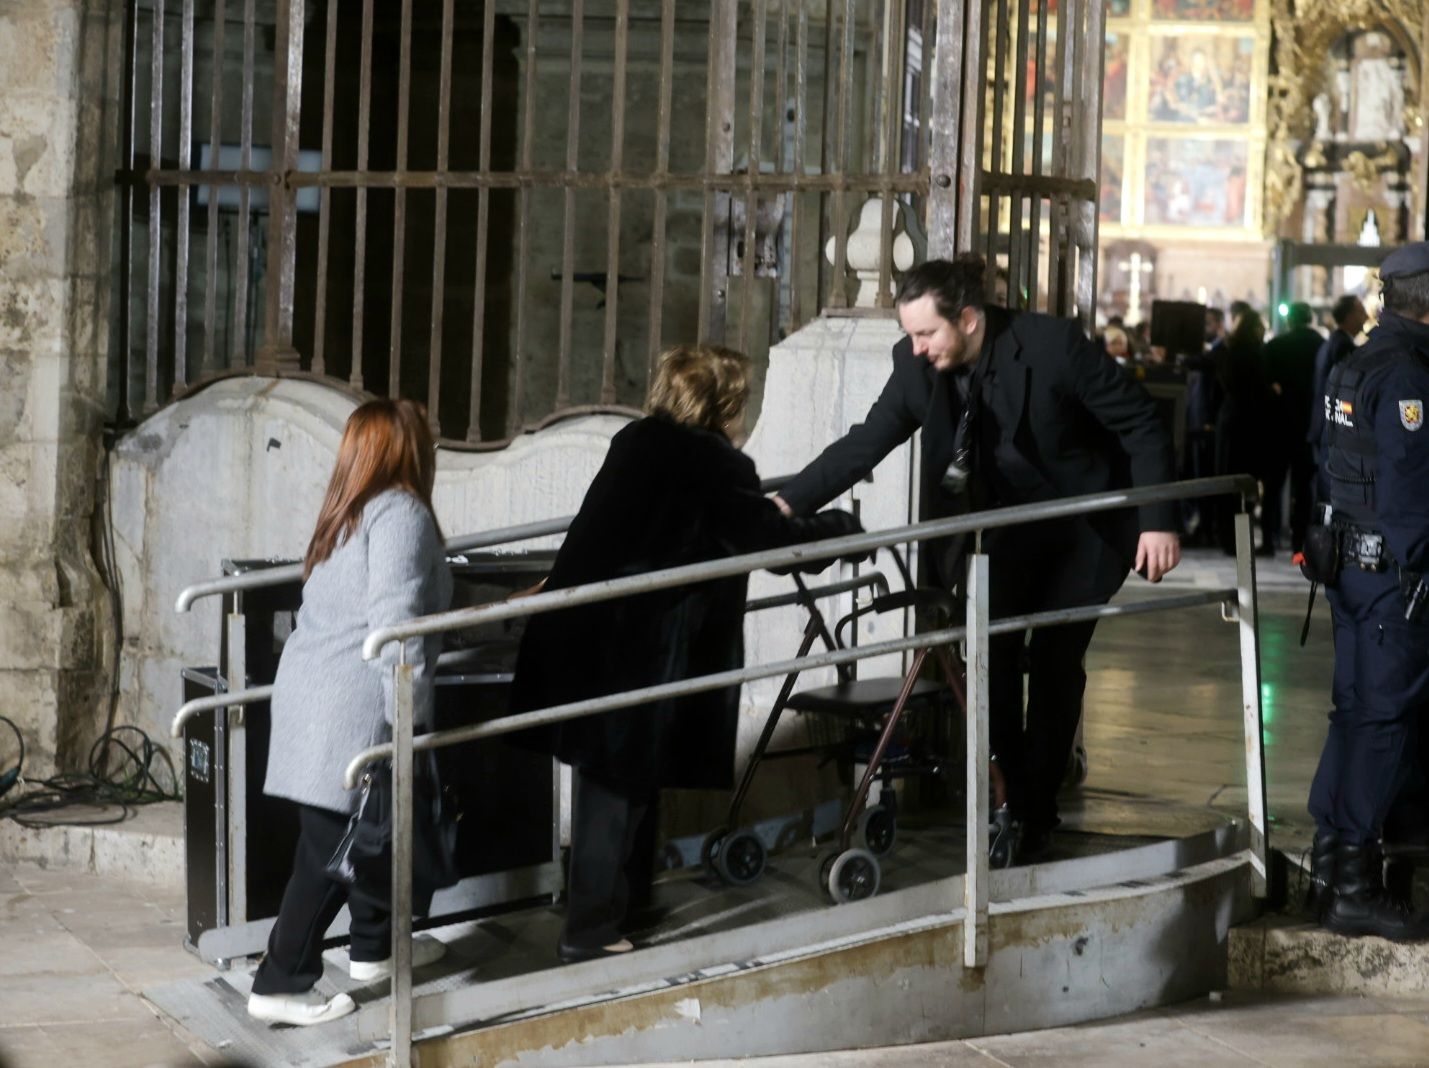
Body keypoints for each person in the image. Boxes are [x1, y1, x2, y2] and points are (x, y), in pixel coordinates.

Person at [772, 255, 1180, 866]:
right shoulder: (915, 370)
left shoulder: (1052, 346)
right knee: (990, 655)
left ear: (967, 319)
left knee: (1054, 657)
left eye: (925, 333)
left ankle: (1036, 811)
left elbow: (1142, 422)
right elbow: (865, 442)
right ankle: (1011, 801)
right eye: (909, 334)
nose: (915, 348)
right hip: (1007, 528)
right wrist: (787, 501)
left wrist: (1157, 521)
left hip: (1087, 524)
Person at [510, 344, 862, 963]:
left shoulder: (637, 442)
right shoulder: (713, 464)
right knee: (615, 792)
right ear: (723, 404)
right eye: (741, 402)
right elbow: (773, 544)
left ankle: (625, 908)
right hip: (636, 650)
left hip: (590, 637)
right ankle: (589, 932)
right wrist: (844, 530)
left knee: (619, 783)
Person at [247, 398, 453, 1026]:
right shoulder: (403, 514)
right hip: (350, 711)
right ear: (410, 450)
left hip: (312, 699)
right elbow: (395, 629)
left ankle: (373, 949)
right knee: (332, 852)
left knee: (362, 838)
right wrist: (412, 715)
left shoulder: (349, 515)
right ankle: (280, 984)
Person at [1305, 242, 1429, 941]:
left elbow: (1322, 456)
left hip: (1353, 570)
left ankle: (1329, 870)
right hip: (1395, 582)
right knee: (1381, 722)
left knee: (1353, 714)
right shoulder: (1409, 375)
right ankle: (1353, 886)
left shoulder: (1354, 361)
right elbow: (1411, 494)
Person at [1261, 302, 1322, 553]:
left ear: (1289, 321)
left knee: (1273, 485)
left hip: (1278, 425)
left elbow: (1264, 386)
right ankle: (1299, 543)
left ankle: (1268, 539)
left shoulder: (1275, 346)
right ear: (1310, 319)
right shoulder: (1321, 346)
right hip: (1307, 425)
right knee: (1304, 487)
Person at [1213, 308, 1270, 554]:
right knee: (1243, 485)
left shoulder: (1229, 350)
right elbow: (1259, 387)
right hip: (1248, 425)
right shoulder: (1254, 353)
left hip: (1230, 419)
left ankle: (1226, 536)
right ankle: (1236, 540)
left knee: (1229, 482)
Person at [1307, 294, 1368, 470]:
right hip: (1331, 429)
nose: (1366, 316)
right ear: (1349, 316)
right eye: (1361, 311)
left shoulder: (1332, 342)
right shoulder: (1343, 347)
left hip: (1323, 425)